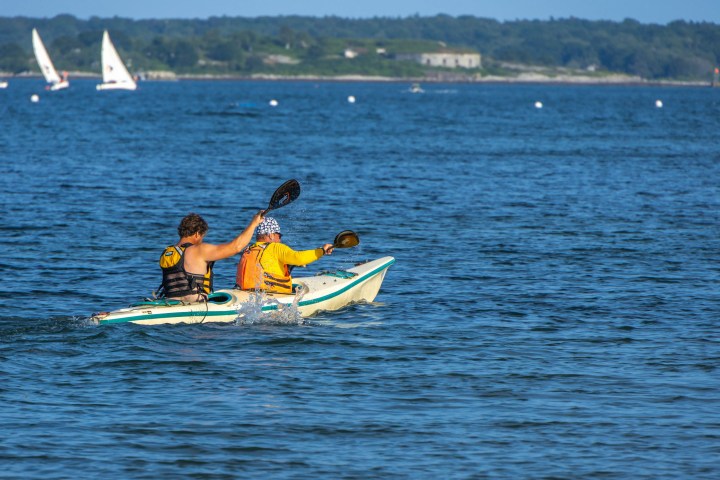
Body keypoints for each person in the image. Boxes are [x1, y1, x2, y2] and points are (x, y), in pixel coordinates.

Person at [159, 211, 264, 302]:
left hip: (169, 301)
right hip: (195, 303)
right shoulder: (199, 250)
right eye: (202, 237)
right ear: (197, 234)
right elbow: (236, 247)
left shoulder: (167, 252)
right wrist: (253, 224)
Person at [236, 217, 333, 294]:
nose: (280, 240)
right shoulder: (275, 247)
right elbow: (299, 258)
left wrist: (290, 264)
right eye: (279, 236)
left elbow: (266, 266)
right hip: (269, 296)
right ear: (271, 235)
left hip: (243, 293)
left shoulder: (249, 249)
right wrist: (322, 250)